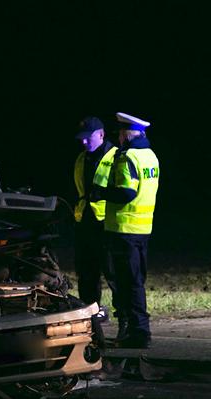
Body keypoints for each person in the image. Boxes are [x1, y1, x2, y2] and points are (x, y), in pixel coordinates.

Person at [92, 112, 159, 348]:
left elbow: (126, 192)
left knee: (127, 283)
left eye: (120, 133)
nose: (119, 138)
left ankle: (138, 333)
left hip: (123, 229)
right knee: (137, 282)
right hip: (143, 228)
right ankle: (139, 330)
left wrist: (101, 193)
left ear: (126, 134)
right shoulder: (150, 156)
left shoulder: (126, 157)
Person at [72, 116, 119, 326]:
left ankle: (124, 317)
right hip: (86, 222)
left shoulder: (116, 157)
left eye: (87, 138)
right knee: (86, 271)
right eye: (81, 138)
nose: (83, 142)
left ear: (101, 134)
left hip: (107, 223)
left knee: (113, 272)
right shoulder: (82, 158)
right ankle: (91, 311)